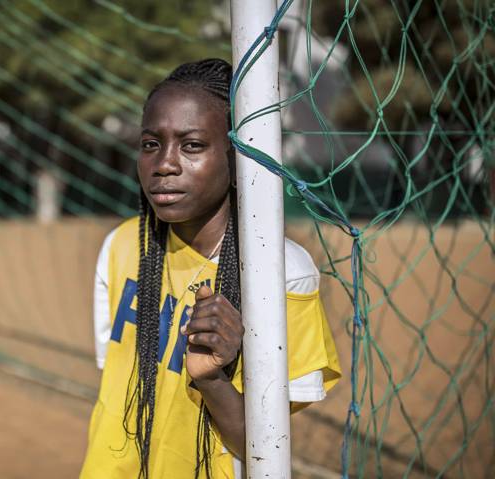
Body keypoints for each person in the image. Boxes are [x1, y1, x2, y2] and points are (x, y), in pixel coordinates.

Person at [80, 58, 341, 479]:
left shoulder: (279, 273)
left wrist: (213, 379)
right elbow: (114, 386)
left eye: (192, 145)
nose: (164, 164)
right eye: (151, 144)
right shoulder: (122, 245)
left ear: (238, 158)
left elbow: (264, 451)